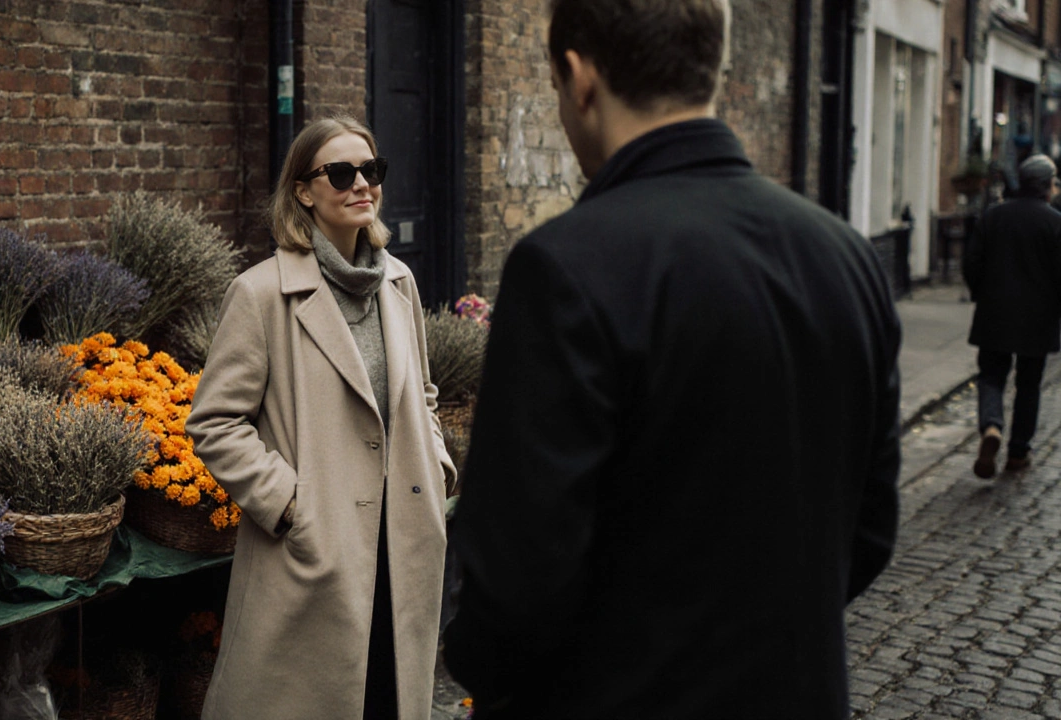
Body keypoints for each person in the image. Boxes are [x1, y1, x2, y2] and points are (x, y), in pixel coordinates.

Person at [442, 1, 901, 718]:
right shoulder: (844, 255)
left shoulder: (566, 265)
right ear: (712, 72)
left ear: (579, 76)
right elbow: (870, 529)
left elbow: (517, 578)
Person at [185, 116, 456, 720]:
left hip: (404, 539)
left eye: (372, 170)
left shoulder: (400, 282)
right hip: (313, 552)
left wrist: (436, 469)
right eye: (341, 172)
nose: (362, 184)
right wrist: (289, 504)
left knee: (389, 696)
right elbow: (215, 421)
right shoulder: (261, 294)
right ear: (304, 190)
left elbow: (424, 393)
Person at [965, 154, 1061, 478]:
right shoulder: (1055, 222)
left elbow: (972, 262)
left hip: (995, 313)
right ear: (1047, 186)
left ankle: (991, 426)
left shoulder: (994, 216)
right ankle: (1018, 452)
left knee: (991, 377)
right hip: (1038, 319)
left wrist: (981, 295)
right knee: (1029, 385)